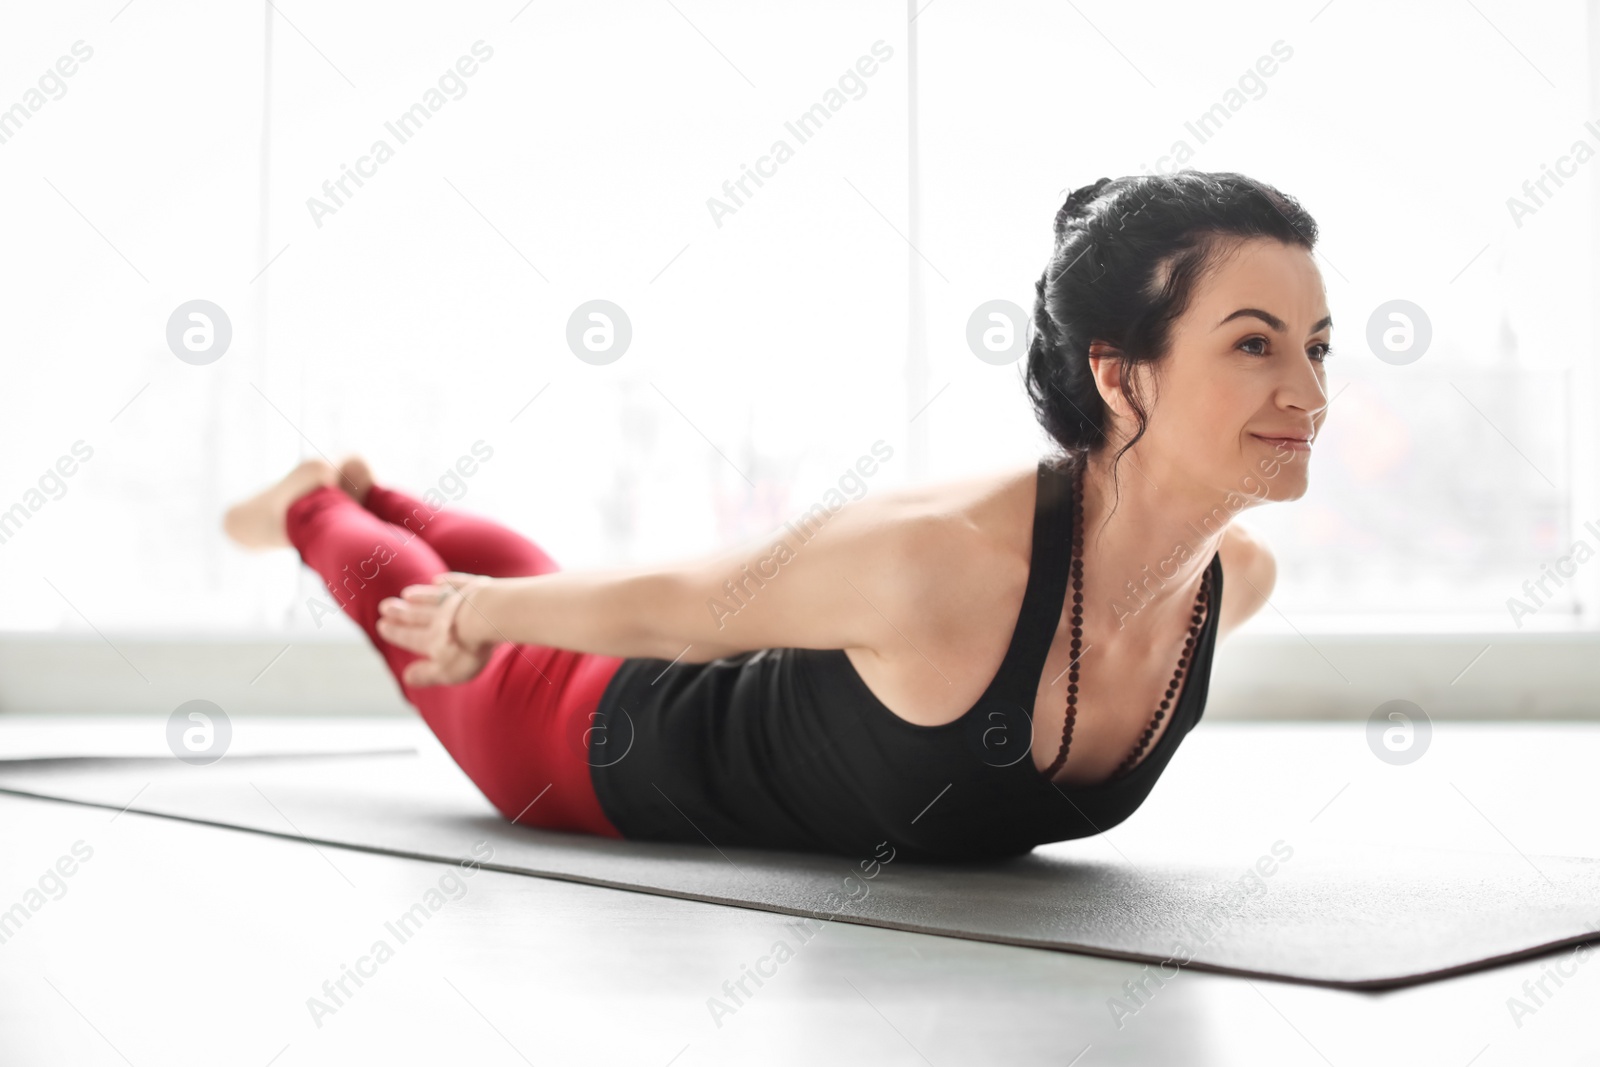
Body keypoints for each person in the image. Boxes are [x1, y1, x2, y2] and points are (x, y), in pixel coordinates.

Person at [223, 170, 1329, 863]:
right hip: (581, 751)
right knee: (421, 590)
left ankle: (381, 493)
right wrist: (479, 612)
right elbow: (686, 606)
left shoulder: (1235, 580)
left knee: (480, 552)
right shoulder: (941, 560)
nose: (1309, 391)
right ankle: (316, 503)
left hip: (651, 680)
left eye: (1315, 345)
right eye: (1252, 343)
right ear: (1118, 375)